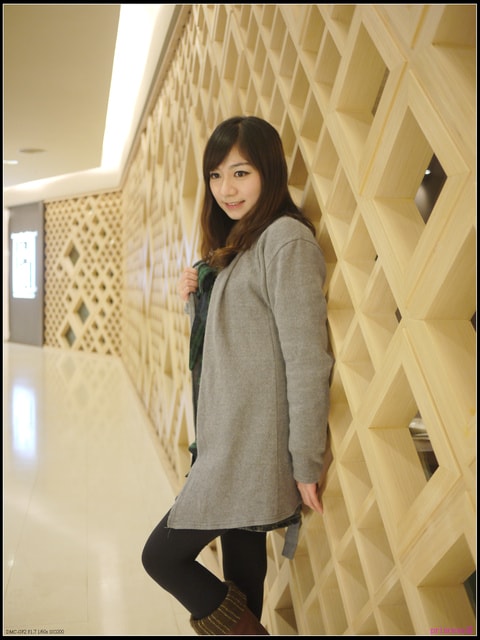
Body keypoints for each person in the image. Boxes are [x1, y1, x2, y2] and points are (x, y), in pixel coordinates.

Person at [142, 115, 333, 636]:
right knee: (242, 583)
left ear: (269, 171)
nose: (226, 189)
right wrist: (195, 297)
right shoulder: (240, 244)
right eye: (216, 175)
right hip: (227, 441)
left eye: (241, 173)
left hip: (251, 448)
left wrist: (307, 460)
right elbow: (233, 342)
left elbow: (306, 358)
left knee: (161, 557)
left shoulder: (285, 240)